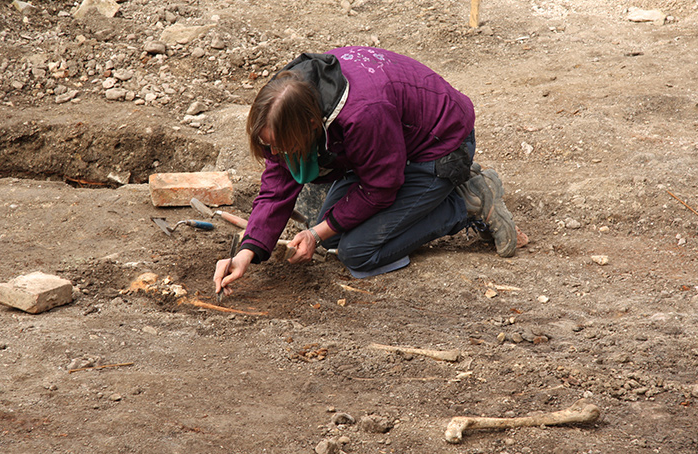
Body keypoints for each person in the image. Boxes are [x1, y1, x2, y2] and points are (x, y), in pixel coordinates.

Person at [214, 46, 526, 296]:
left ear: (310, 124)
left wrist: (314, 233)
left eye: (283, 146)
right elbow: (278, 183)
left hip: (439, 145)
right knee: (330, 236)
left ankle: (464, 204)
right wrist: (247, 252)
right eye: (272, 147)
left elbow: (381, 188)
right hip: (386, 146)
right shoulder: (286, 104)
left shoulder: (363, 113)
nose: (277, 154)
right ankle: (435, 195)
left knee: (357, 252)